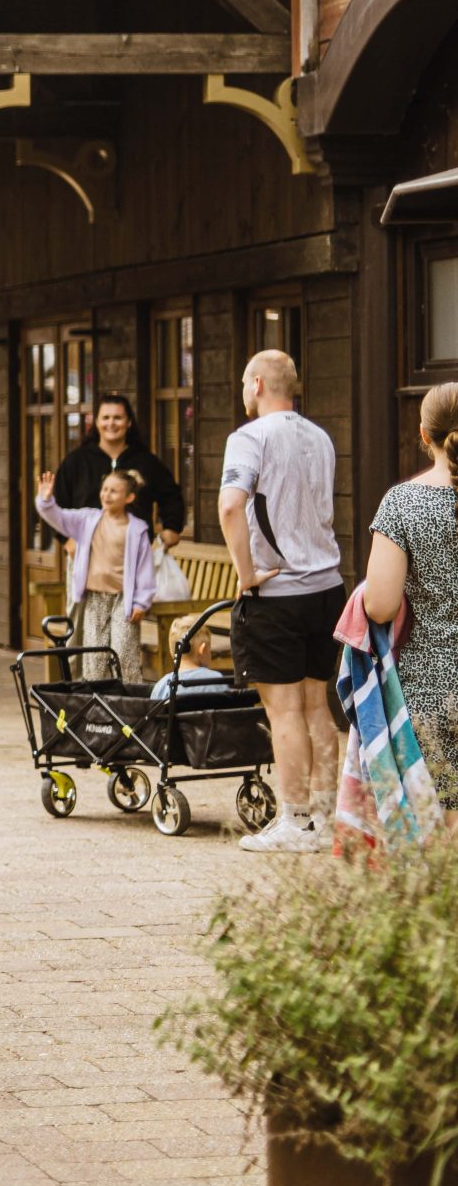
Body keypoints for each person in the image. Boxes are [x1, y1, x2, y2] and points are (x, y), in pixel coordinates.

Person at [218, 349, 346, 853]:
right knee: (318, 705)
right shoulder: (321, 436)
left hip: (277, 591)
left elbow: (231, 505)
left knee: (284, 710)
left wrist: (245, 575)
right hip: (327, 587)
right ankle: (327, 818)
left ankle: (294, 822)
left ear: (254, 386)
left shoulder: (248, 436)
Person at [359, 381, 458, 803]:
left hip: (429, 687)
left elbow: (379, 607)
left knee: (444, 815)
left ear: (424, 435)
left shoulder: (402, 503)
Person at [35, 467, 159, 682]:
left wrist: (142, 602)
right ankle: (97, 707)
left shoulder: (137, 529)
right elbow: (58, 518)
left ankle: (130, 705)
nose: (107, 495)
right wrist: (46, 501)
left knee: (123, 651)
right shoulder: (87, 520)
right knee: (94, 655)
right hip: (95, 598)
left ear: (129, 497)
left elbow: (145, 569)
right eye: (105, 489)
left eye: (114, 491)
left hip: (124, 601)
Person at [52, 393, 187, 537]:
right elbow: (57, 505)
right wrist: (67, 540)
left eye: (118, 418)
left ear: (129, 422)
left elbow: (172, 497)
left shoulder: (146, 462)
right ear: (97, 422)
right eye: (105, 418)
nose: (111, 424)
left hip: (136, 551)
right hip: (86, 552)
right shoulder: (76, 461)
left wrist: (172, 527)